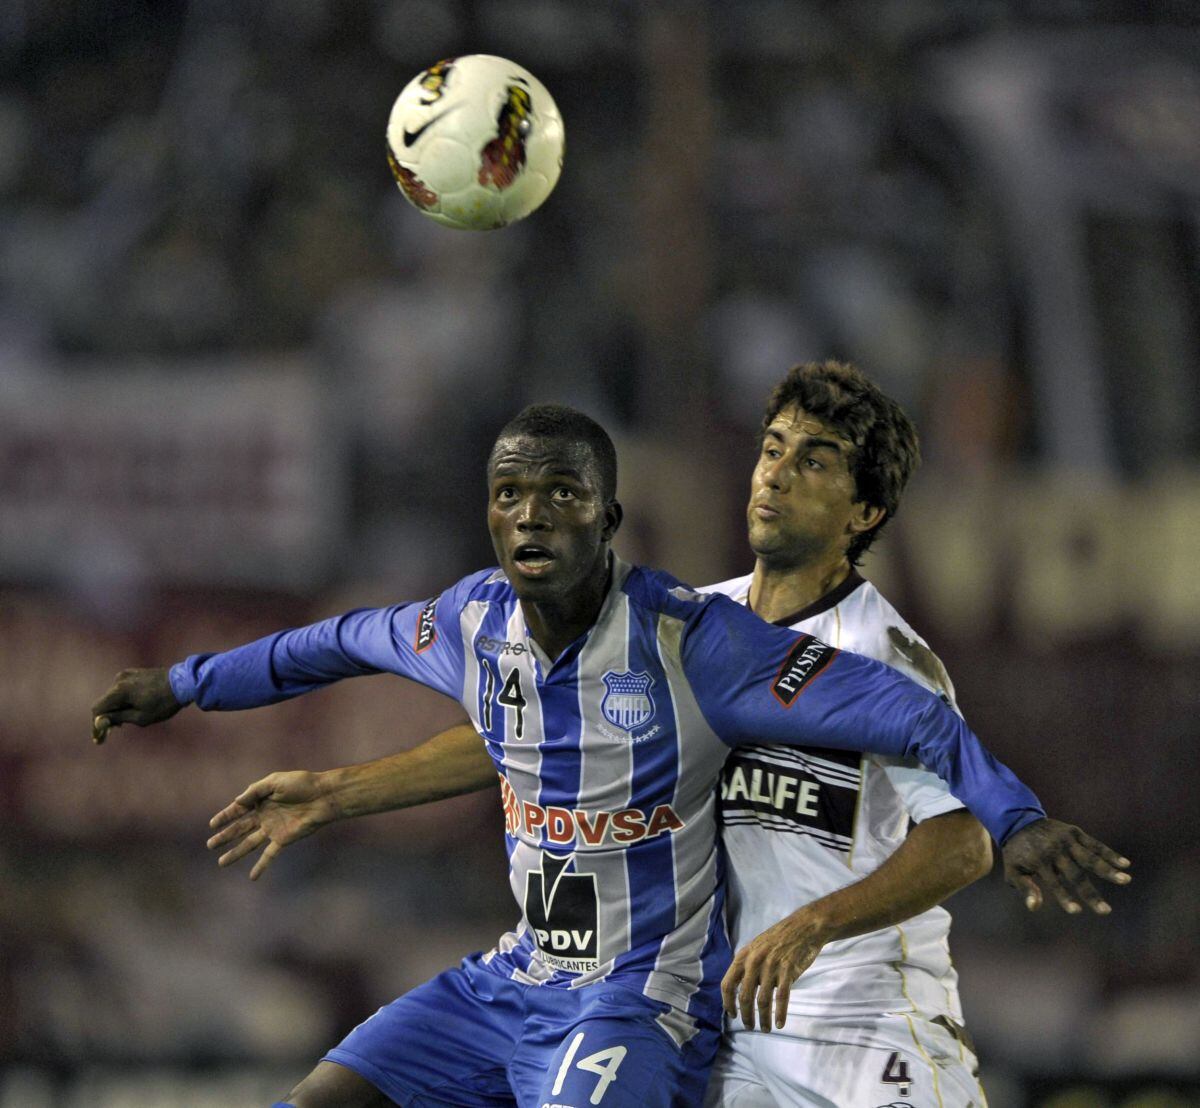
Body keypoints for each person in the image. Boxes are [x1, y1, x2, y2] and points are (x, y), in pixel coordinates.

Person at [92, 403, 1128, 1108]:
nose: (531, 514)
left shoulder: (698, 645)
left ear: (609, 516)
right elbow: (325, 645)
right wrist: (182, 685)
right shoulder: (469, 622)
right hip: (511, 979)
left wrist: (1016, 816)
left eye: (561, 493)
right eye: (509, 495)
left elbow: (911, 717)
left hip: (643, 998)